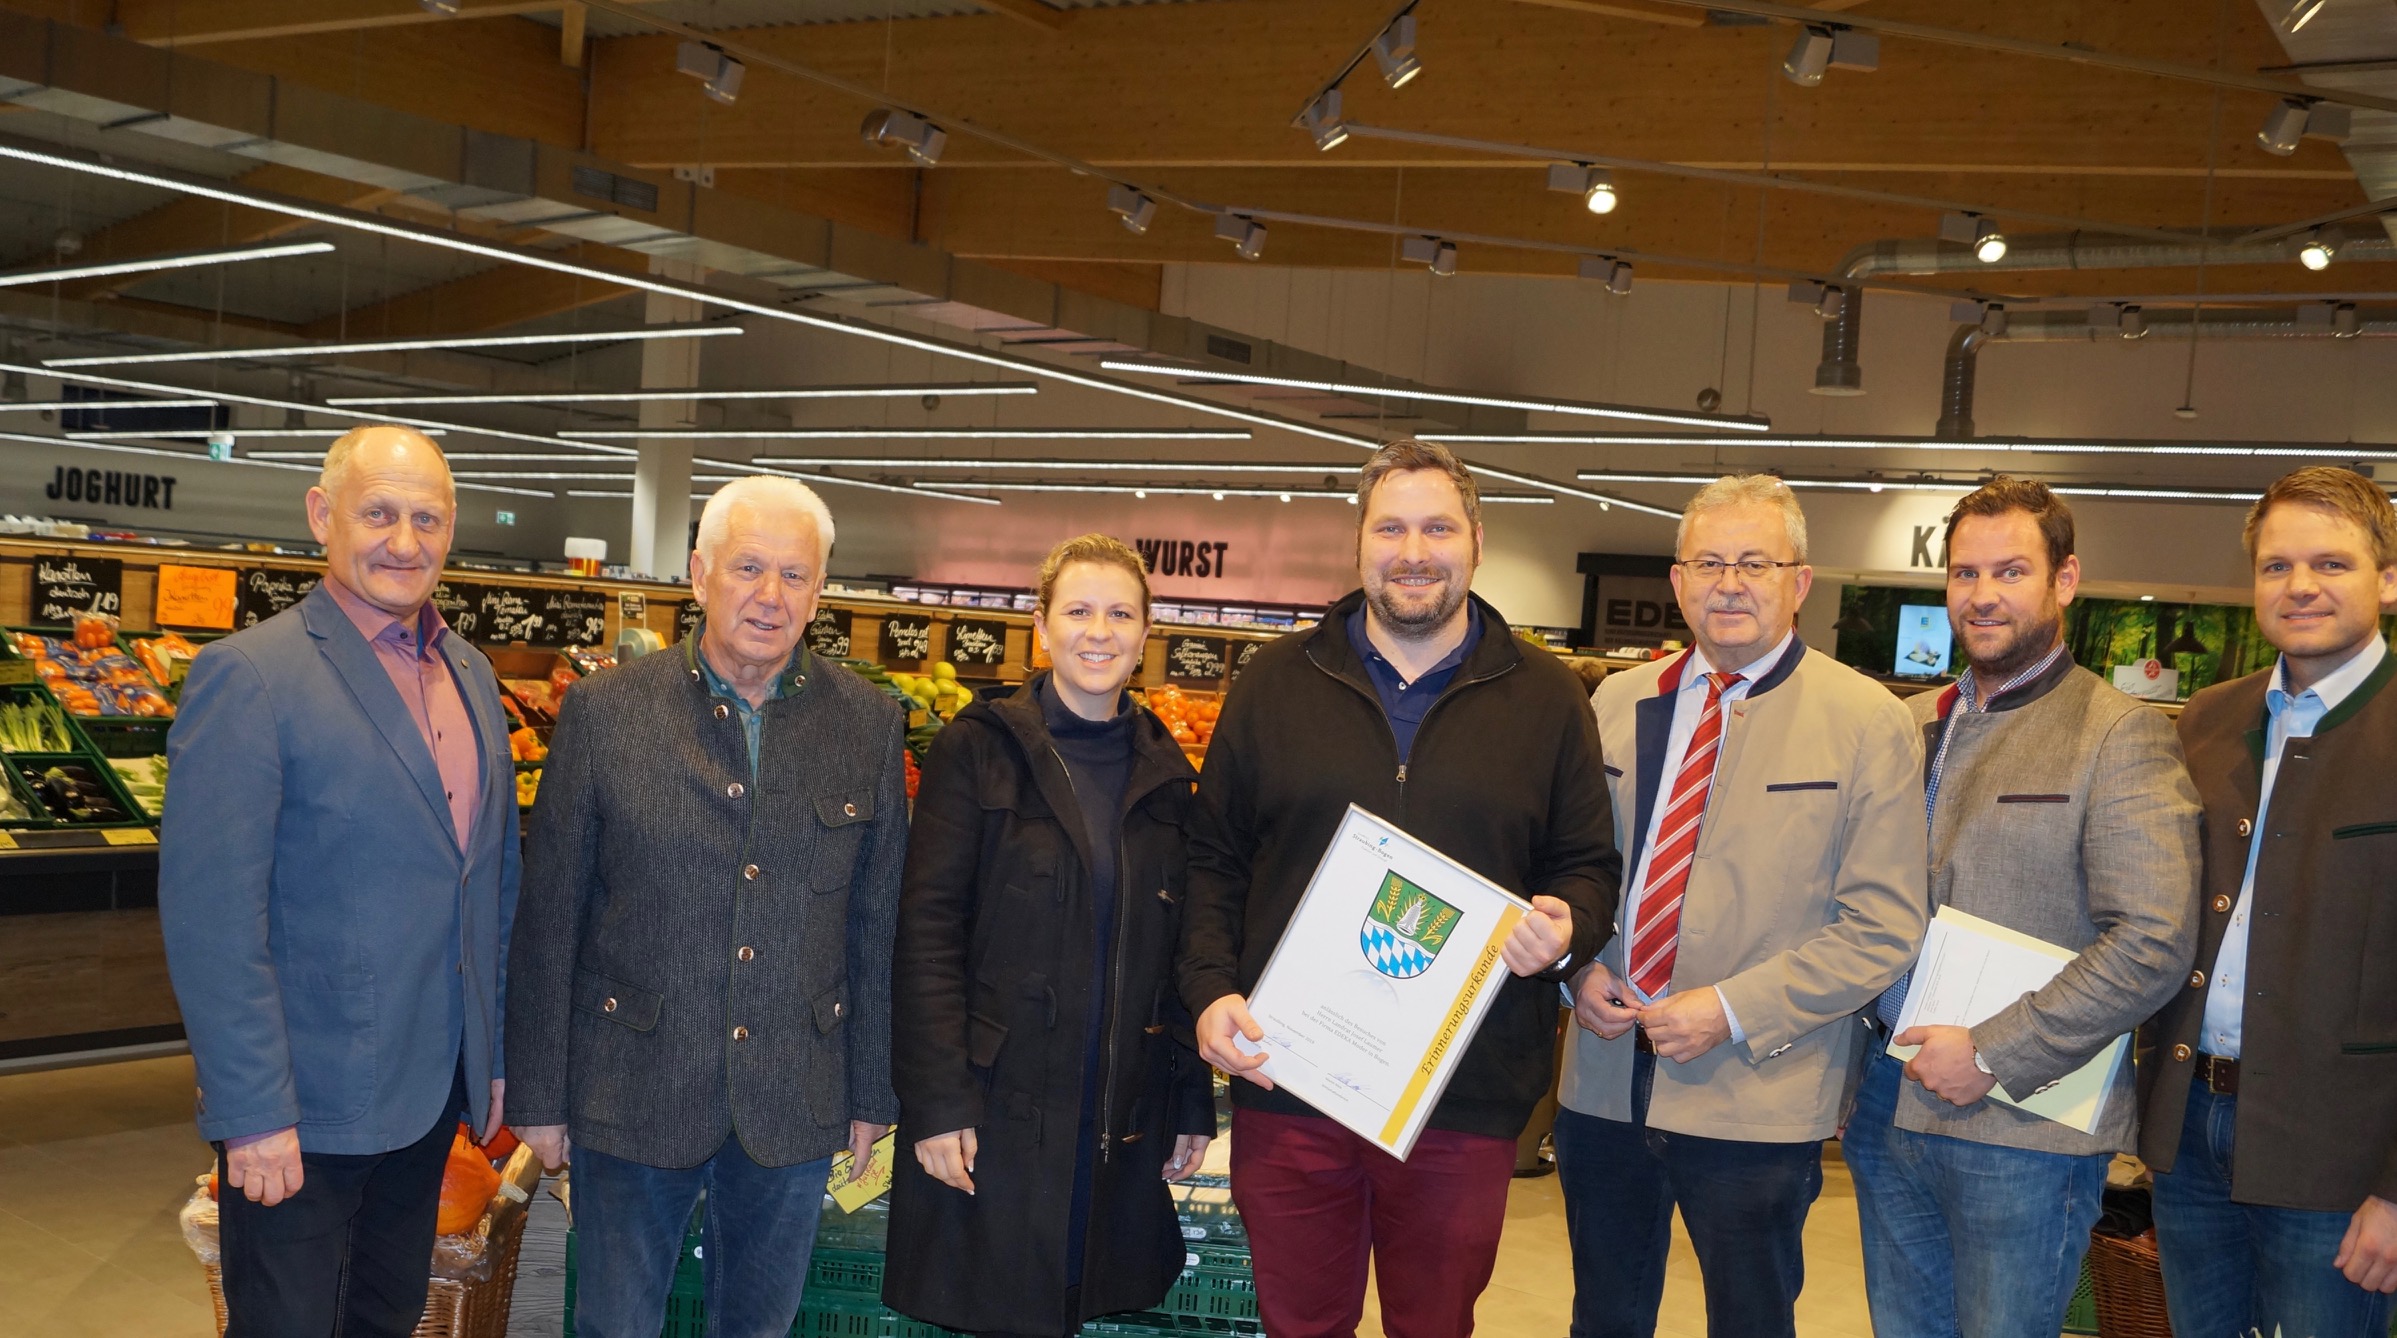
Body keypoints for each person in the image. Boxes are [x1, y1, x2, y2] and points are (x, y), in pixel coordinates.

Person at [1180, 438, 1620, 1338]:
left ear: (1476, 541)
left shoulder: (1546, 697)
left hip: (1462, 1086)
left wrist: (1565, 928)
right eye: (1391, 526)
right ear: (1359, 543)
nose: (1413, 550)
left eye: (1436, 527)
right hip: (1292, 1072)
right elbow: (1212, 859)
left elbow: (1586, 861)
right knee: (1300, 1322)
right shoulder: (1273, 684)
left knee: (1434, 1324)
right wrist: (1209, 989)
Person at [504, 476, 907, 1338]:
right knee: (614, 1324)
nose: (770, 596)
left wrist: (872, 1088)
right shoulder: (607, 710)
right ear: (697, 574)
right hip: (630, 1087)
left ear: (819, 591)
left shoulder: (868, 722)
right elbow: (550, 917)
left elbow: (876, 928)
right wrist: (539, 1093)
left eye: (795, 575)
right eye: (748, 568)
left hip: (795, 1097)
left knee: (758, 1327)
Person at [158, 425, 520, 1337]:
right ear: (323, 517)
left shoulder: (472, 675)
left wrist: (496, 1059)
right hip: (302, 1111)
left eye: (427, 518)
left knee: (386, 1320)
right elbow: (213, 923)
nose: (405, 541)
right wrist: (250, 1114)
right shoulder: (250, 676)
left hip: (431, 1097)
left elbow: (491, 885)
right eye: (379, 513)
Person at [1554, 472, 1929, 1338]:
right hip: (1604, 1081)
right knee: (1601, 1318)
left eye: (1754, 562)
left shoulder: (1867, 720)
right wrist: (1573, 971)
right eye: (1709, 562)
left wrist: (1728, 1009)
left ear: (1799, 583)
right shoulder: (1616, 701)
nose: (1729, 583)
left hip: (1756, 1090)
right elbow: (1573, 868)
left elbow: (1883, 925)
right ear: (1677, 581)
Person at [1843, 478, 2202, 1338]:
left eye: (2009, 571)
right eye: (1964, 574)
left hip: (2021, 1128)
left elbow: (2152, 939)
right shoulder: (1911, 723)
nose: (1982, 594)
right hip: (1883, 1104)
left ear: (2064, 579)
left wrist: (1996, 1052)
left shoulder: (2117, 733)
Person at [885, 534, 1216, 1337]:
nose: (1097, 631)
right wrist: (935, 1102)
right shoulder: (979, 748)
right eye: (1077, 610)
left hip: (1116, 1107)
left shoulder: (1169, 774)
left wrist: (1189, 1099)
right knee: (1002, 1302)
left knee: (1080, 1294)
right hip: (997, 1103)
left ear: (1145, 635)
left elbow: (1183, 946)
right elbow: (926, 930)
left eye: (1118, 614)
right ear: (1041, 625)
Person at [2140, 465, 2397, 1338]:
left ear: (2387, 579)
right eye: (2276, 566)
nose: (2300, 587)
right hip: (2188, 1136)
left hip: (2342, 1160)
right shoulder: (2206, 722)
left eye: (2330, 563)